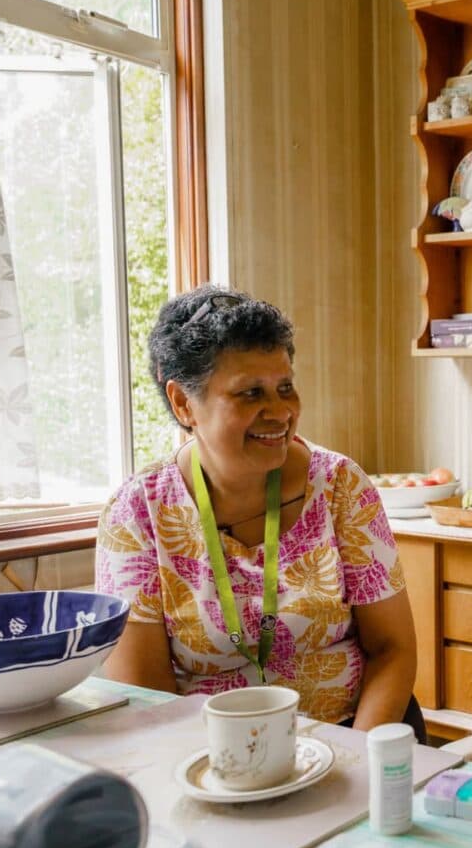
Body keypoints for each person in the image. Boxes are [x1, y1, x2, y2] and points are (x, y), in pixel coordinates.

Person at [96, 286, 417, 731]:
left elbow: (393, 649)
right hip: (206, 758)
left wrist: (360, 762)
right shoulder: (137, 513)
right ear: (184, 402)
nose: (280, 411)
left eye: (285, 387)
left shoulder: (340, 486)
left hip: (348, 737)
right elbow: (149, 699)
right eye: (250, 393)